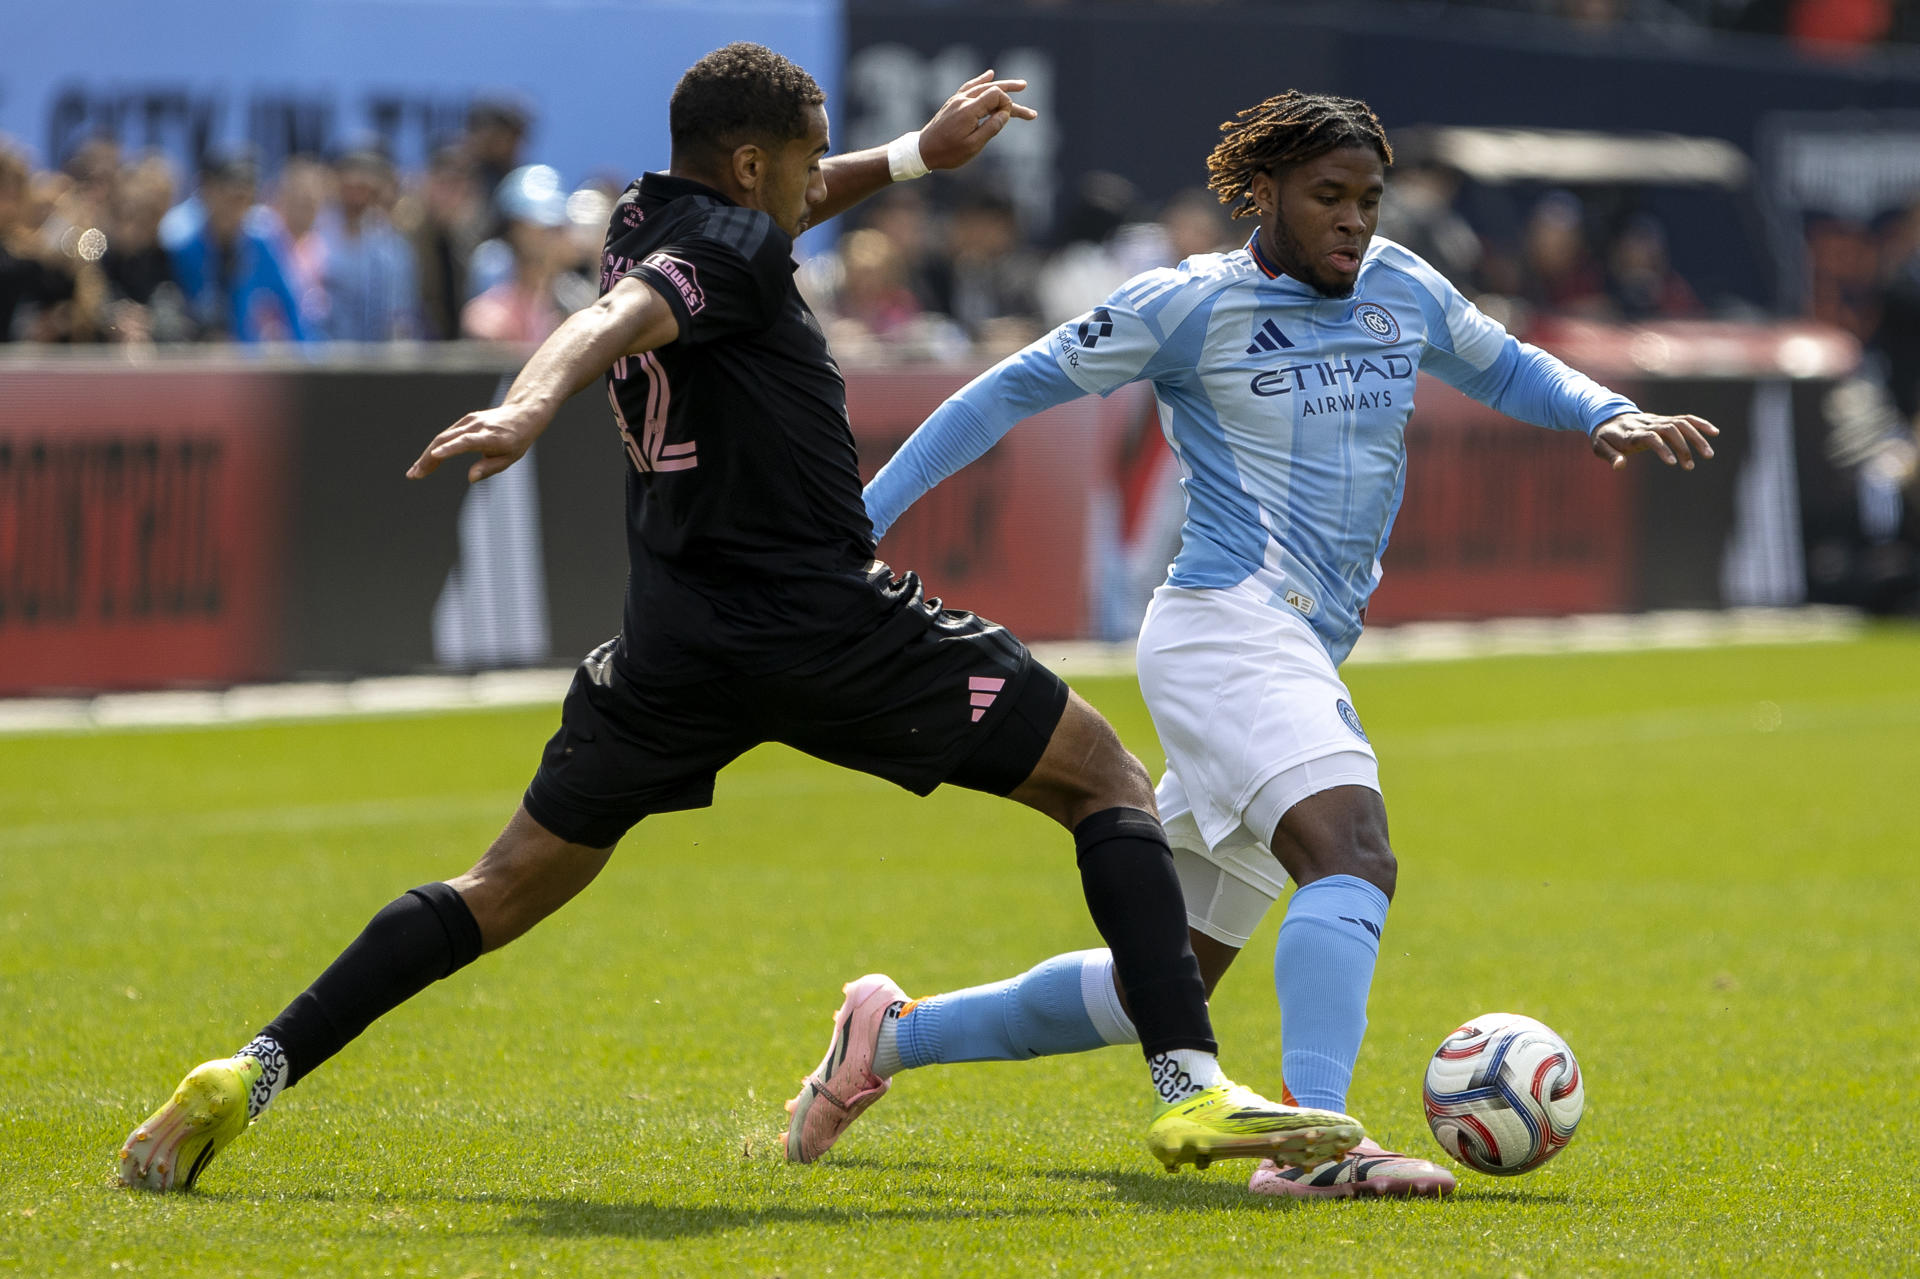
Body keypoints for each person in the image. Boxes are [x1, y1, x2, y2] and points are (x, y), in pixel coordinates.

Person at [117, 44, 1353, 1195]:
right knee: (1104, 778)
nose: (820, 182)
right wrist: (529, 405)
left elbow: (715, 248)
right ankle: (1191, 1088)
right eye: (808, 158)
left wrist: (912, 156)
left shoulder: (648, 217)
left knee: (497, 886)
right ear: (753, 164)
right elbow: (611, 322)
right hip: (821, 623)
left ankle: (245, 1073)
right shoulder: (729, 252)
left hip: (672, 646)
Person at [828, 90, 1720, 1199]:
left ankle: (888, 1034)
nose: (1354, 220)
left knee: (1161, 981)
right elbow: (1007, 393)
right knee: (1354, 852)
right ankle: (1317, 1147)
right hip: (1228, 627)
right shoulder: (1189, 304)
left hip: (1296, 643)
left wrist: (1602, 411)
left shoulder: (1401, 286)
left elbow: (1505, 364)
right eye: (1328, 196)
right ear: (1263, 193)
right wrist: (858, 524)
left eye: (1369, 199)